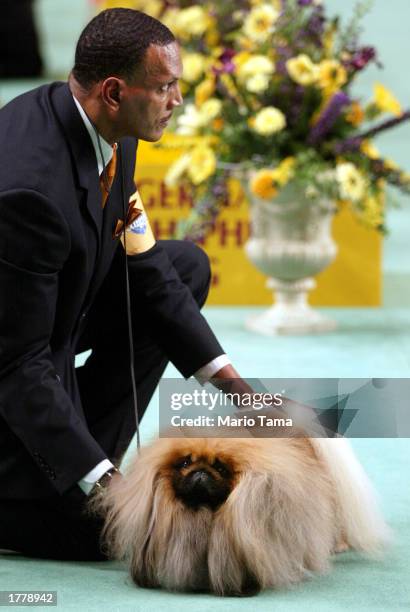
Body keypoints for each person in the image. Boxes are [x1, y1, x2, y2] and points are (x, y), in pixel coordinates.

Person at [0, 8, 252, 561]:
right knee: (106, 535)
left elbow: (145, 262)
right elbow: (18, 366)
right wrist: (108, 487)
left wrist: (241, 392)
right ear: (115, 91)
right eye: (166, 87)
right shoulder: (26, 195)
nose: (177, 101)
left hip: (44, 333)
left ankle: (86, 456)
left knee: (184, 268)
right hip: (14, 369)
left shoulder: (110, 126)